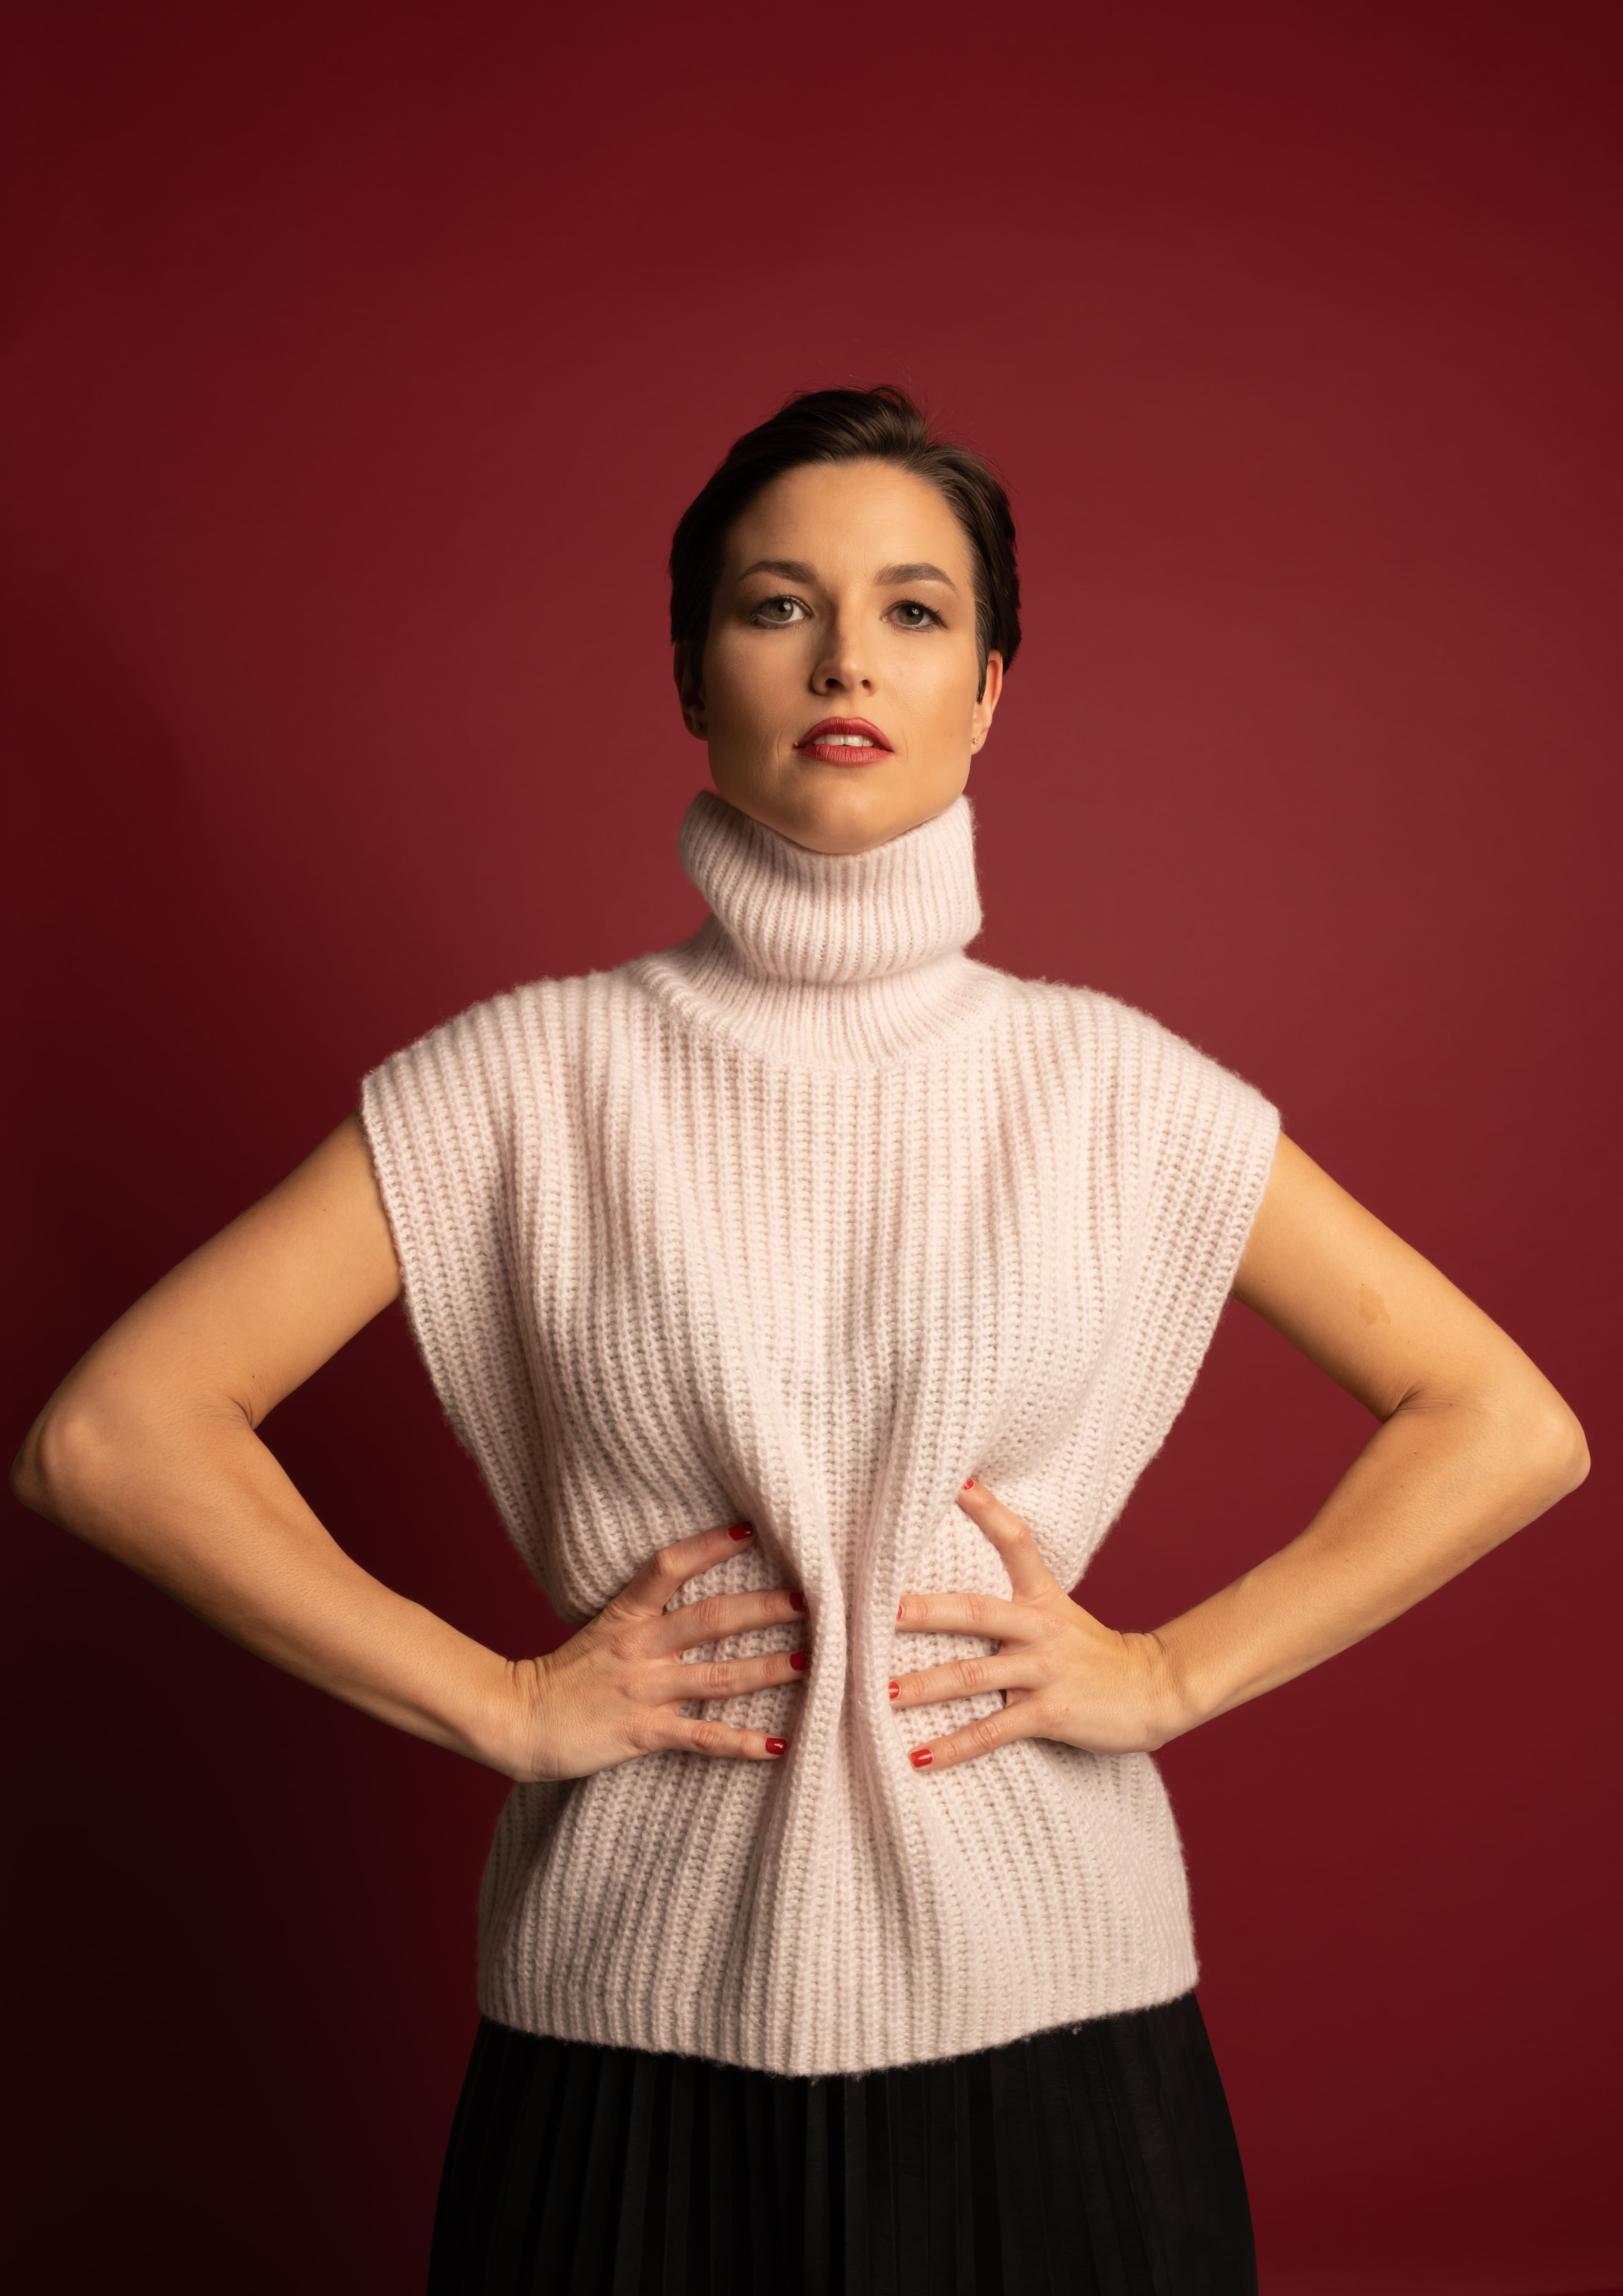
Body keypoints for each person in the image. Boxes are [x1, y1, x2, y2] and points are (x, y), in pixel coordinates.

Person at [14, 387, 1587, 2296]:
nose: (848, 655)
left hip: (1061, 2038)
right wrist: (500, 1702)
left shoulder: (1112, 1085)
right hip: (624, 2054)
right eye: (779, 604)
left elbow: (1504, 1420)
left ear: (993, 688)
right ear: (691, 670)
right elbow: (113, 1435)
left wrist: (1170, 1669)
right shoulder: (530, 1078)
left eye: (917, 611)